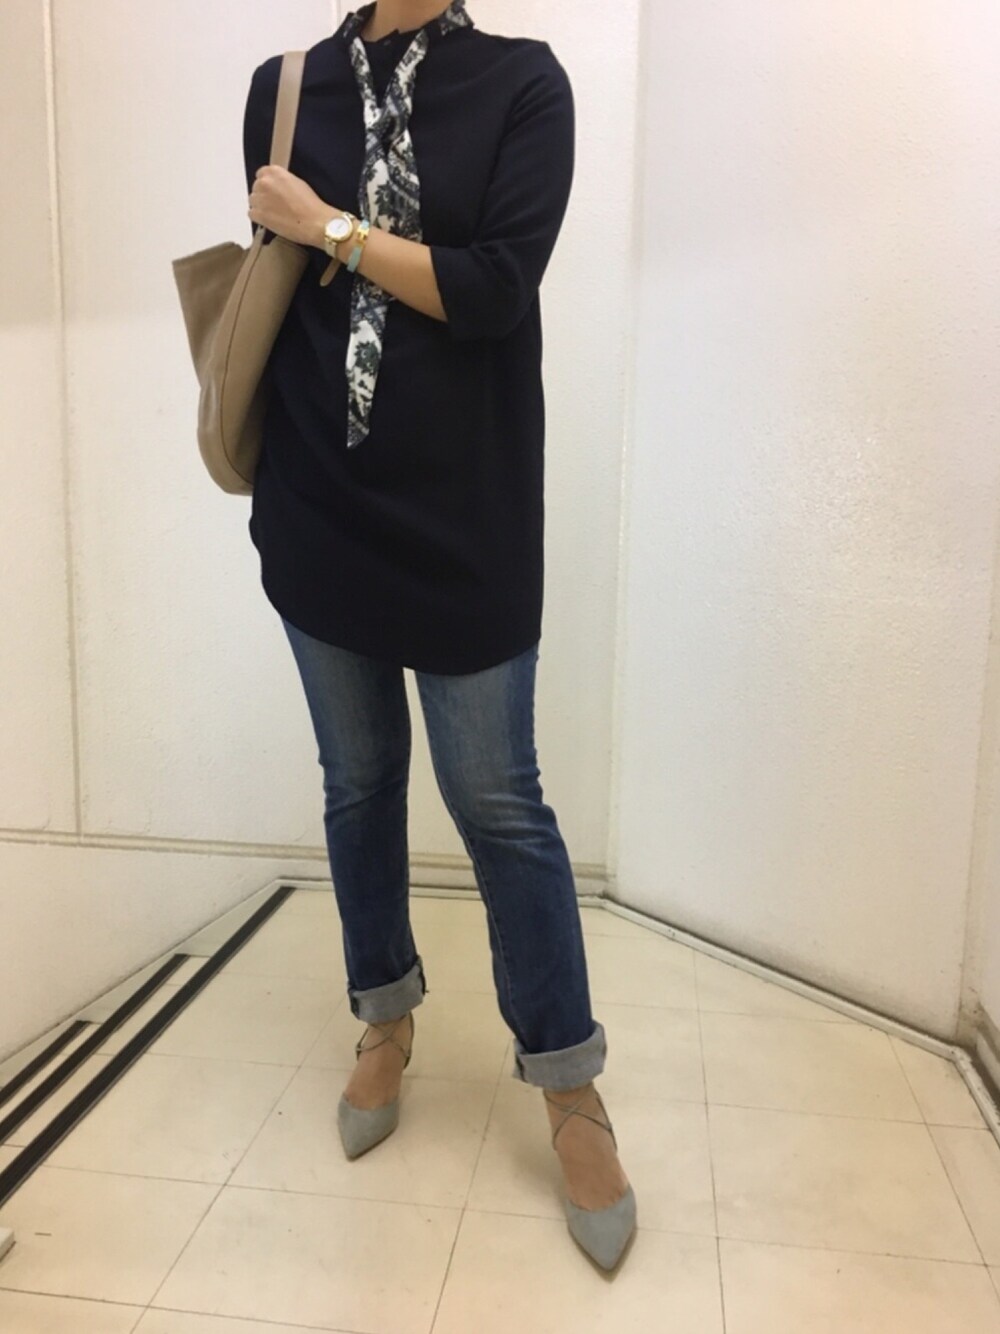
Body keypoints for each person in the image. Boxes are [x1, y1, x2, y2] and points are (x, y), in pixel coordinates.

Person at [243, 0, 636, 1269]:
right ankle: (385, 1017)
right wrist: (316, 235)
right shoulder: (286, 86)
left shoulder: (523, 85)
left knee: (499, 803)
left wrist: (331, 226)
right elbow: (280, 291)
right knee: (357, 784)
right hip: (317, 500)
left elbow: (490, 289)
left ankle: (567, 1079)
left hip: (466, 512)